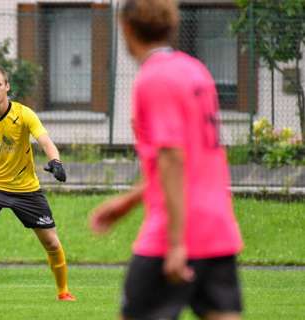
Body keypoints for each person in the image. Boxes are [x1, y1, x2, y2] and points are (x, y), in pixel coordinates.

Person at [89, 0, 244, 319]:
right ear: (171, 26)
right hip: (216, 228)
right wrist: (130, 201)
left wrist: (176, 244)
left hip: (171, 235)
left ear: (126, 27)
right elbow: (190, 158)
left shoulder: (153, 79)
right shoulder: (195, 71)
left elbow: (172, 157)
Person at [0, 65, 76, 302]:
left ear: (7, 86)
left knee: (51, 242)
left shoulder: (24, 114)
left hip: (26, 189)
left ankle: (63, 292)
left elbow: (45, 140)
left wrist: (56, 161)